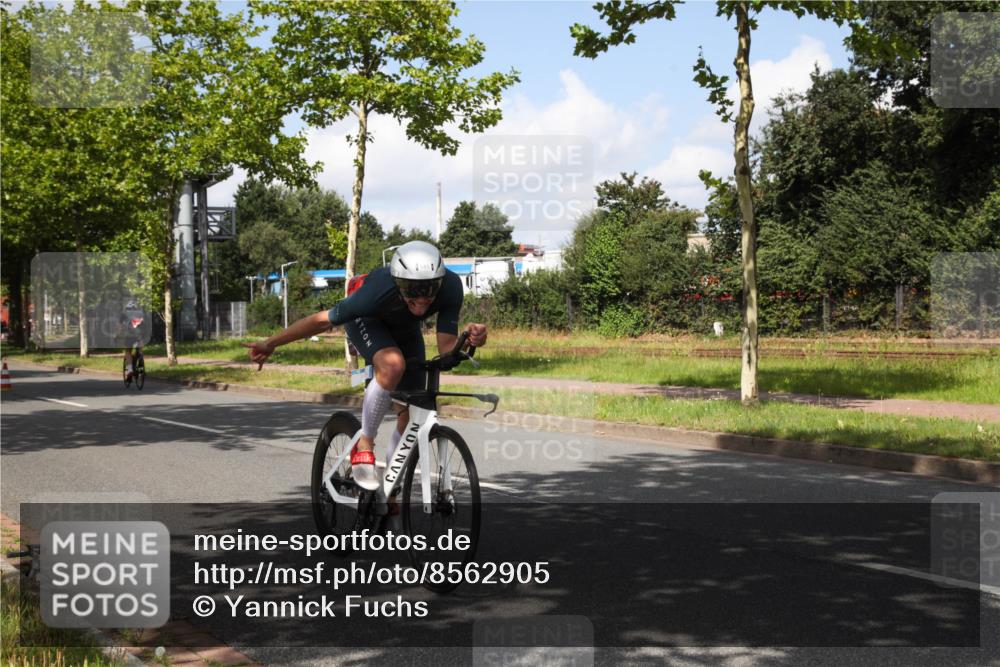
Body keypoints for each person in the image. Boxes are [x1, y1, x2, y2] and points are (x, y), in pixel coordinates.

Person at [245, 241, 488, 490]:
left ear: (440, 279)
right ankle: (365, 444)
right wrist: (271, 343)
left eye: (429, 288)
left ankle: (389, 491)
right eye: (411, 289)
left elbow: (446, 348)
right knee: (393, 365)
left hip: (405, 329)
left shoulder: (451, 286)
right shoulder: (376, 291)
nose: (421, 298)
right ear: (397, 281)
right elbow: (320, 322)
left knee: (410, 417)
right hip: (366, 321)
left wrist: (471, 338)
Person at [119, 300, 145, 380]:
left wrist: (118, 335)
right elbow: (144, 324)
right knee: (140, 346)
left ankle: (130, 370)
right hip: (138, 335)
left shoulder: (123, 314)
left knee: (128, 351)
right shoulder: (140, 313)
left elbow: (120, 327)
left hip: (128, 336)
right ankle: (140, 357)